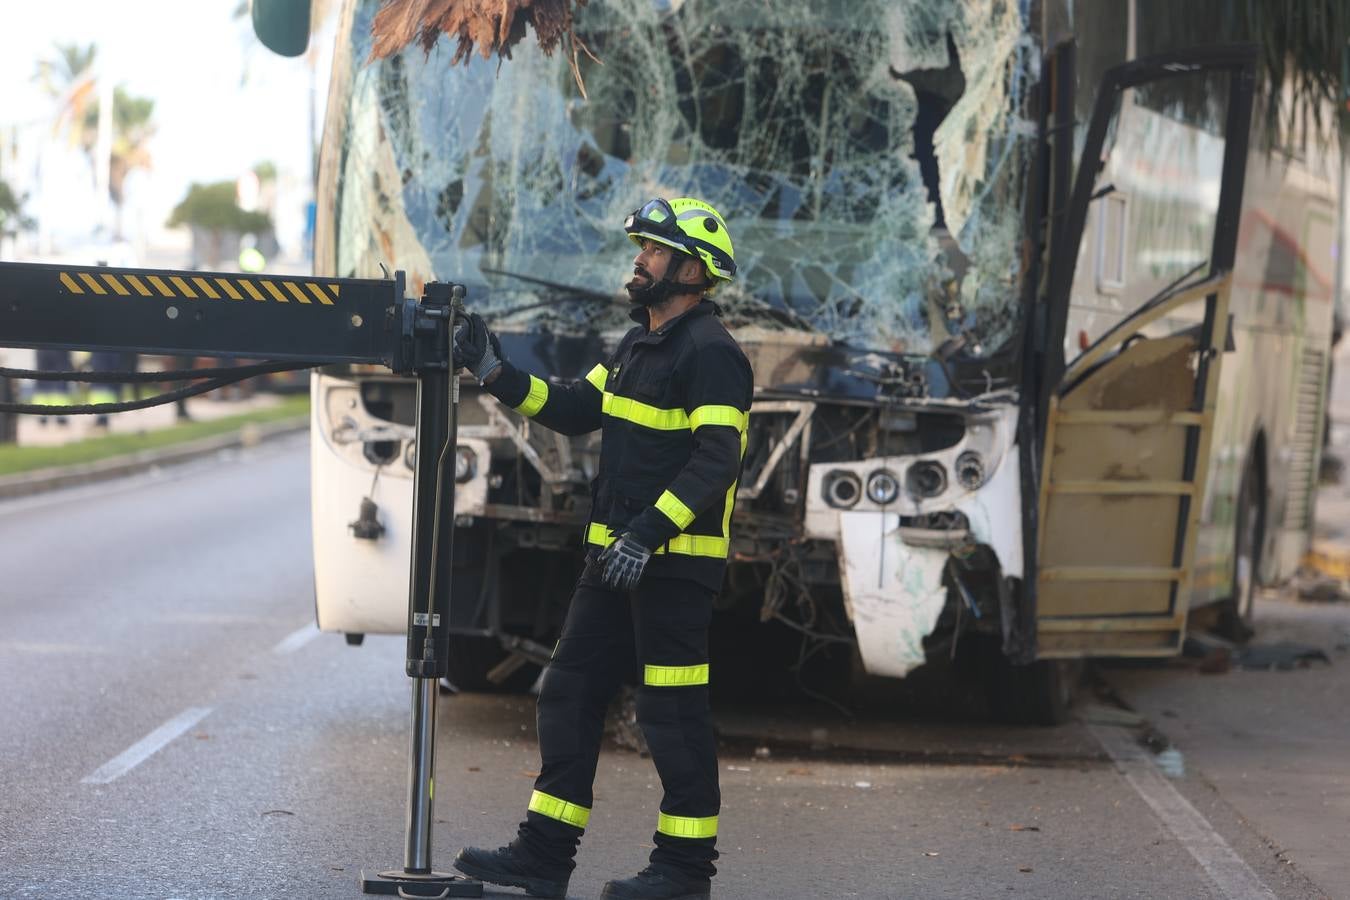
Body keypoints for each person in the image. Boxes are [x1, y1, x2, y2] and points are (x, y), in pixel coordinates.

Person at [451, 198, 752, 900]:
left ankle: (682, 874)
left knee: (669, 716)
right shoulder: (637, 345)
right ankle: (542, 858)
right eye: (641, 248)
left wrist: (647, 536)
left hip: (674, 566)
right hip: (612, 561)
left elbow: (717, 461)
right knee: (567, 691)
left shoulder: (713, 354)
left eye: (652, 249)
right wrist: (492, 371)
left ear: (691, 270)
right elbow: (572, 408)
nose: (639, 260)